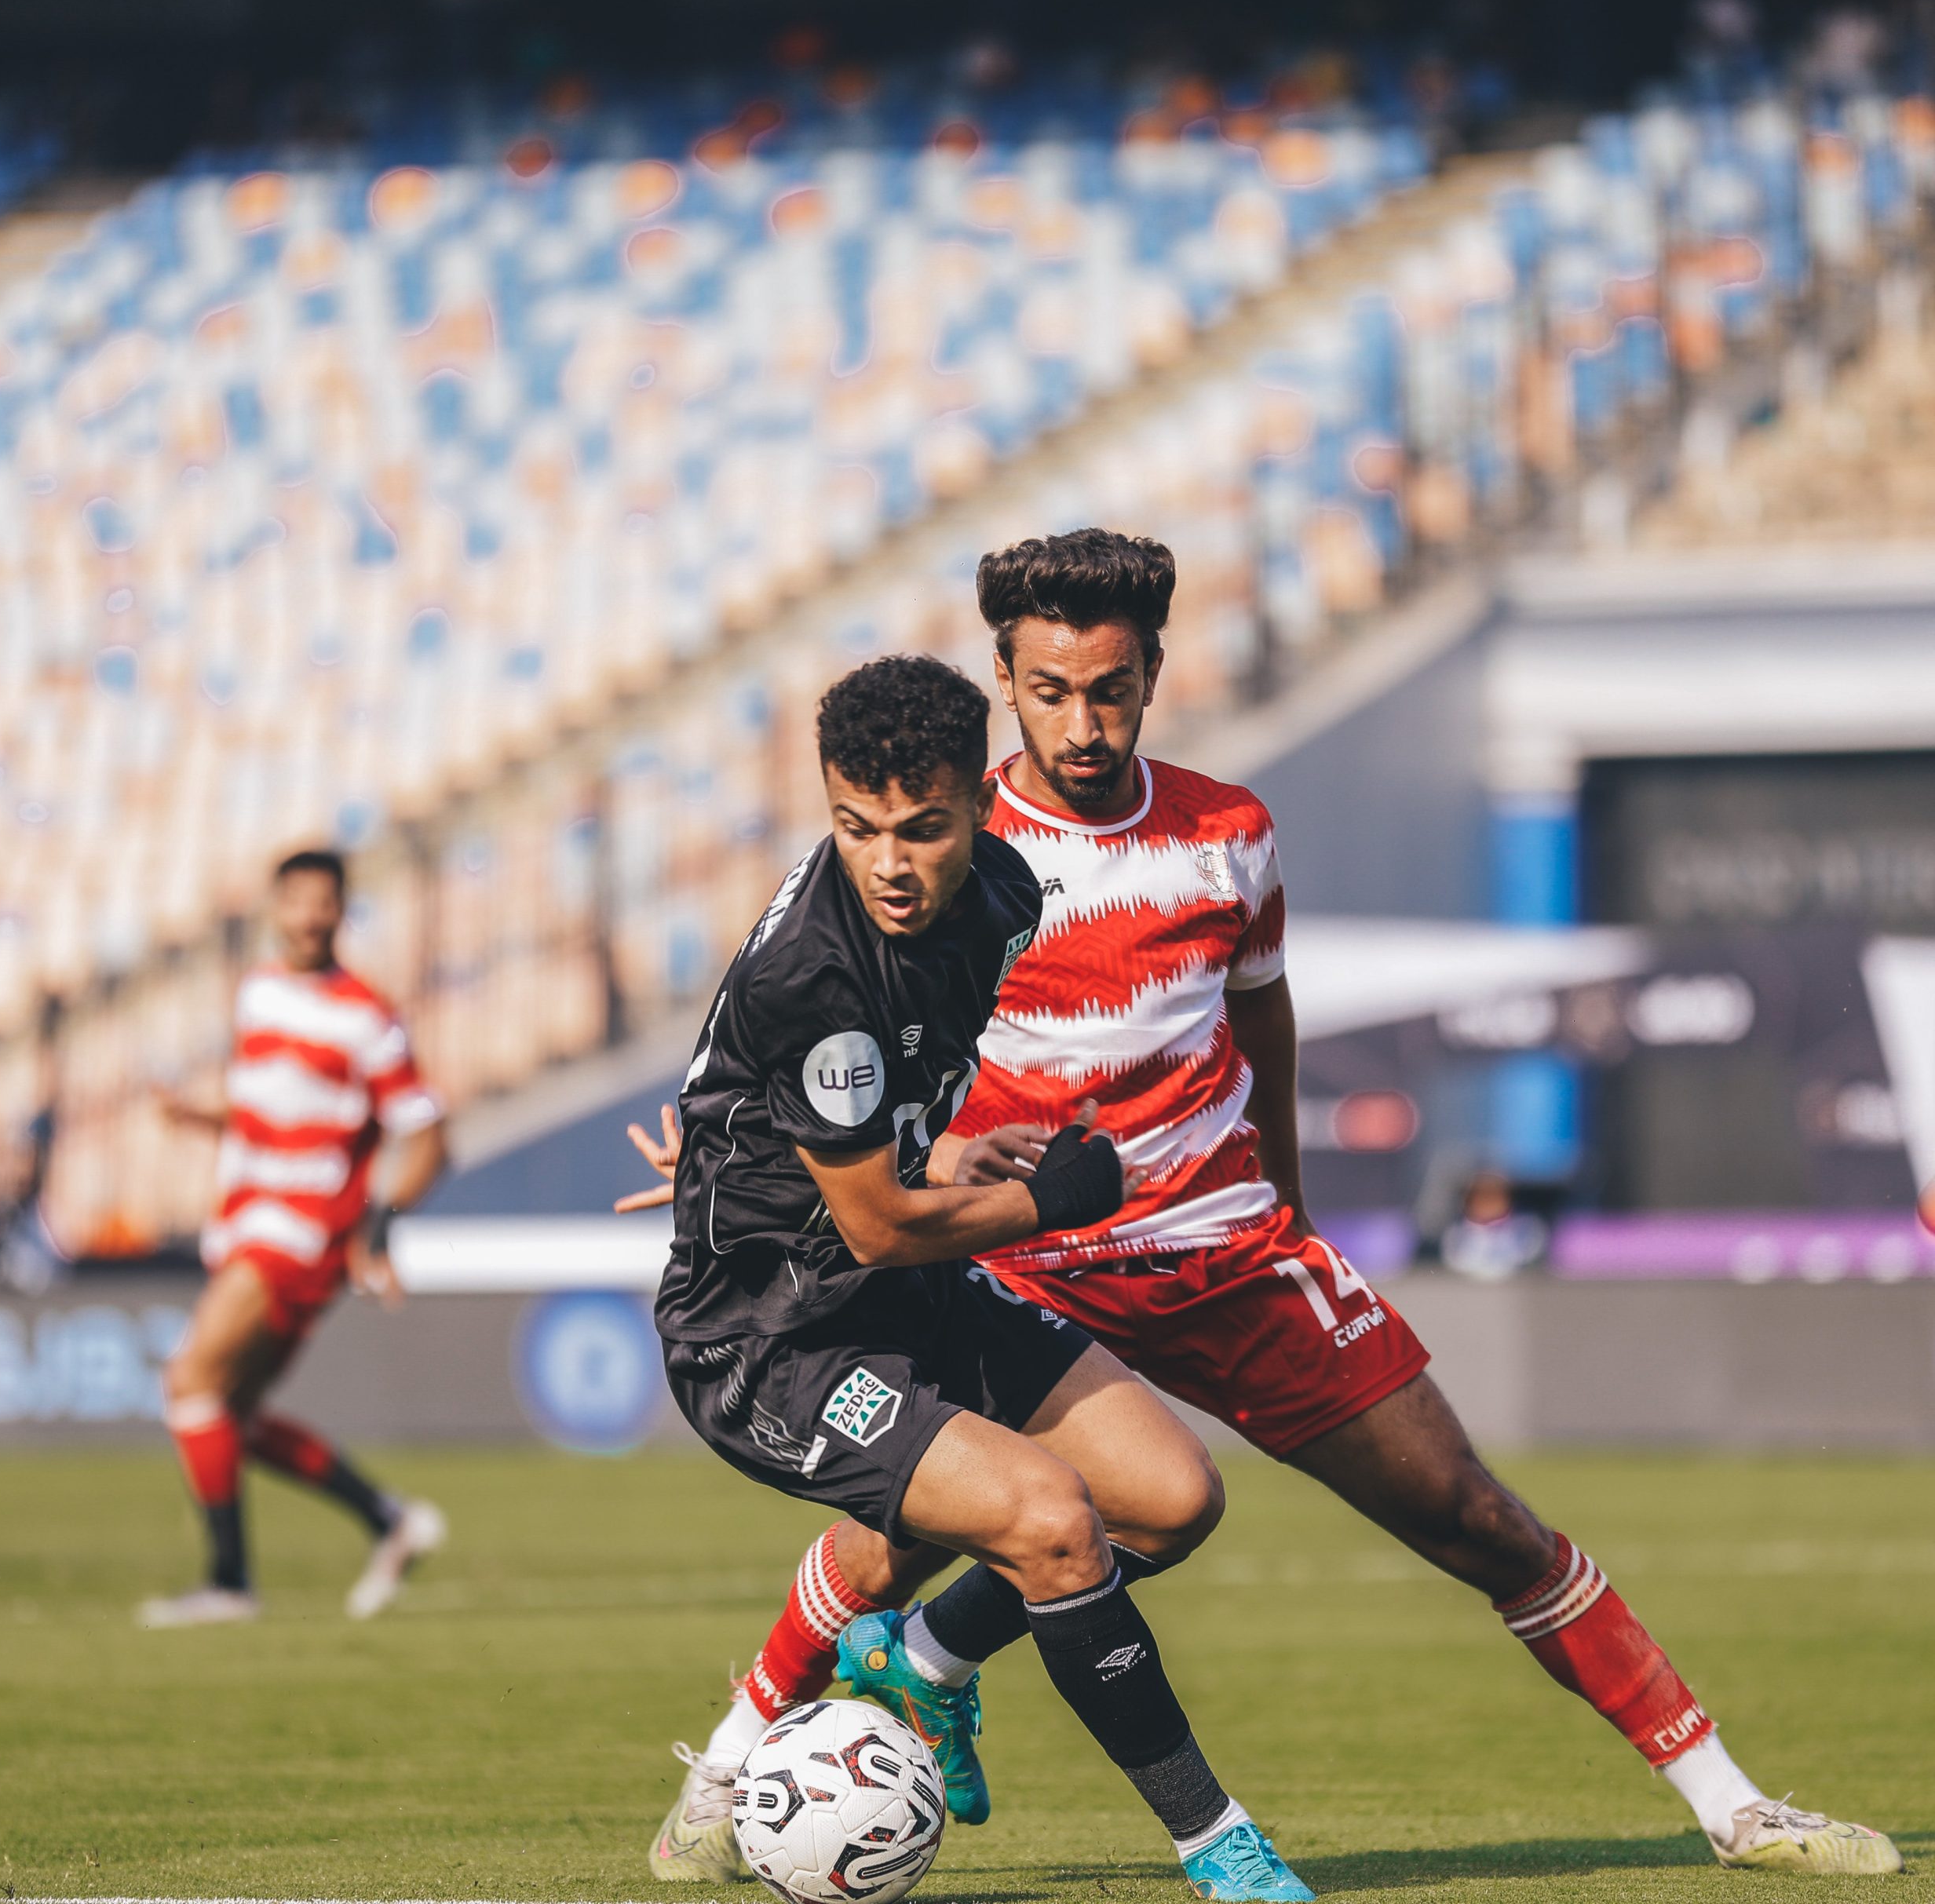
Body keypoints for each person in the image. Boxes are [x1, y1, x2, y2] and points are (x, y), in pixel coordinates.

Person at [639, 531, 1901, 1880]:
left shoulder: (1224, 837)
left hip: (1218, 1244)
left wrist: (1285, 1199)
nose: (1082, 724)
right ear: (1003, 685)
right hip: (1025, 1250)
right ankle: (726, 1777)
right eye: (1051, 692)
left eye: (1109, 689)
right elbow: (832, 1047)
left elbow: (1265, 1018)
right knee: (918, 1529)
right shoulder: (942, 836)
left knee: (1469, 1514)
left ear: (1154, 674)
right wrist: (756, 1165)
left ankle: (1735, 1809)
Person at [654, 652, 1313, 1903]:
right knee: (1050, 1522)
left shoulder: (1007, 895)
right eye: (856, 828)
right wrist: (1047, 1199)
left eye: (922, 828)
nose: (888, 863)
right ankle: (1217, 1843)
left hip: (895, 1280)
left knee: (1171, 1500)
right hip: (772, 1340)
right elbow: (875, 1230)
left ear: (979, 804)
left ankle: (923, 1661)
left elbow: (885, 1110)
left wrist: (945, 1146)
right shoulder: (818, 979)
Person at [141, 848, 450, 1627]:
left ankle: (229, 1583)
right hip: (247, 1216)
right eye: (298, 901)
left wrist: (381, 1225)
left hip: (302, 1231)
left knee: (190, 1381)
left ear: (342, 911)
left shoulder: (366, 1017)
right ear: (275, 908)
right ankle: (388, 1519)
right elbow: (265, 1107)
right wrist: (196, 1115)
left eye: (325, 902)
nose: (311, 916)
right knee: (229, 1415)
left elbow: (428, 1134)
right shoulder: (259, 992)